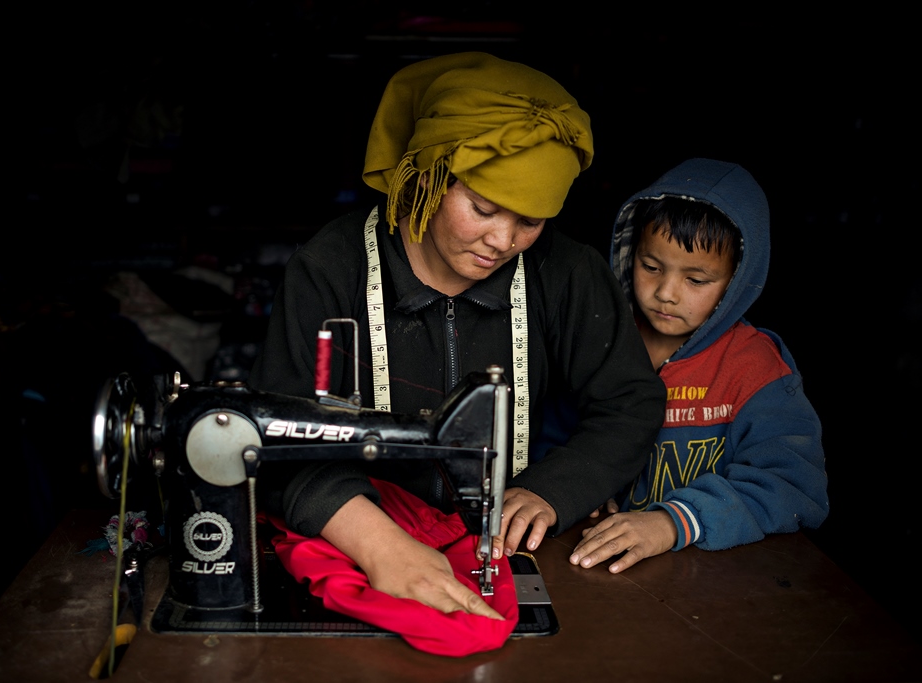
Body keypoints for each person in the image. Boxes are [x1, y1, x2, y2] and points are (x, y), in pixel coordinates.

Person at [250, 52, 665, 618]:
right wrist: (381, 545)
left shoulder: (565, 272)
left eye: (530, 221)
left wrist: (555, 488)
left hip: (507, 541)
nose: (503, 240)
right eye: (484, 208)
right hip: (357, 529)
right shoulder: (331, 270)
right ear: (429, 174)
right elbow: (284, 433)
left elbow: (630, 401)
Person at [570, 158, 829, 573]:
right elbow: (551, 437)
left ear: (736, 281)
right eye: (651, 267)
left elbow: (795, 488)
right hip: (598, 568)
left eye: (697, 280)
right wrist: (580, 484)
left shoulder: (756, 369)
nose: (666, 293)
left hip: (710, 584)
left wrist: (673, 523)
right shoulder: (599, 339)